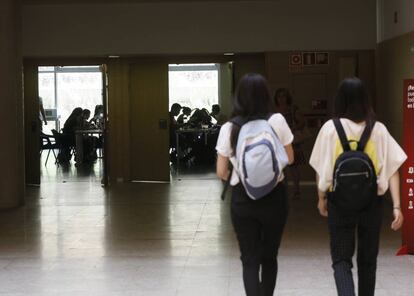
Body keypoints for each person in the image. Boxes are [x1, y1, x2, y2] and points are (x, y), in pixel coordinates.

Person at [309, 77, 406, 296]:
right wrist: (397, 206)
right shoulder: (378, 129)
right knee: (368, 261)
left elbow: (321, 169)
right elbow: (392, 169)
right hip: (371, 204)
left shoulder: (329, 129)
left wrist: (321, 198)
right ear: (365, 99)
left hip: (339, 204)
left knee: (341, 260)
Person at [216, 73, 294, 296]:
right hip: (275, 198)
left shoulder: (229, 127)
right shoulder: (276, 121)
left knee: (249, 259)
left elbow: (221, 172)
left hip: (242, 200)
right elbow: (290, 158)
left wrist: (241, 173)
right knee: (269, 257)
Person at [274, 88, 306, 199]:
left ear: (287, 97)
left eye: (283, 96)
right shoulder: (274, 111)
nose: (281, 99)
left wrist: (291, 128)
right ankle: (282, 190)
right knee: (280, 167)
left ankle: (297, 190)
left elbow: (302, 122)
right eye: (279, 96)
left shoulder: (293, 109)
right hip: (278, 142)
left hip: (292, 141)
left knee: (293, 167)